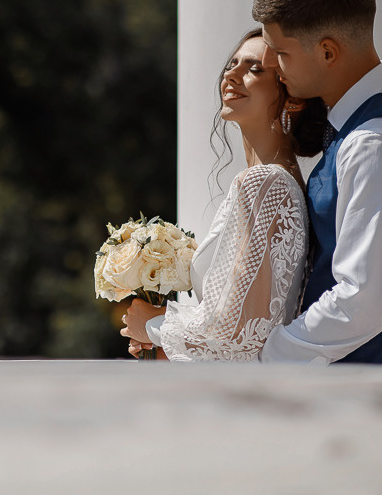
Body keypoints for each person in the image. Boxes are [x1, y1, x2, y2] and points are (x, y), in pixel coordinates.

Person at [118, 28, 326, 361]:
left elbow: (238, 334)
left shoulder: (264, 184)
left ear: (293, 96)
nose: (232, 74)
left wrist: (155, 325)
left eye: (254, 68)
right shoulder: (280, 180)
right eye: (232, 64)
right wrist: (166, 345)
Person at [252, 0, 382, 366]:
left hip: (364, 393)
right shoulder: (362, 127)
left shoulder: (372, 142)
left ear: (328, 52)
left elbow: (361, 302)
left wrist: (266, 359)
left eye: (281, 53)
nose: (270, 64)